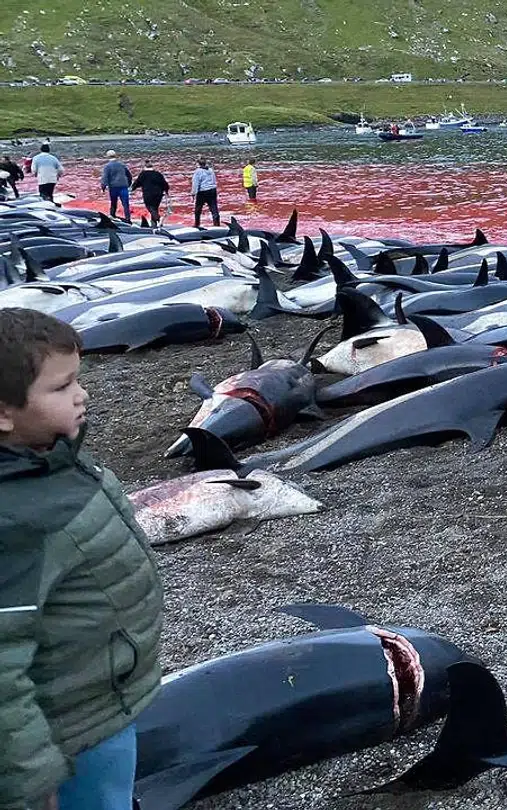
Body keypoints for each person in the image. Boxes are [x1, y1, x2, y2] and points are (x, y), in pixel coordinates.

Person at [0, 308, 164, 810]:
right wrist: (31, 779)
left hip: (98, 698)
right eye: (61, 387)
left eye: (79, 379)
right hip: (69, 733)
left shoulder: (49, 457)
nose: (82, 394)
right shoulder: (16, 520)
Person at [131, 160, 169, 226]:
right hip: (158, 194)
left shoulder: (143, 174)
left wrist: (132, 189)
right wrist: (166, 191)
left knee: (150, 207)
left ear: (144, 167)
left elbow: (137, 183)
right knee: (155, 208)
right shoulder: (158, 174)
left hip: (148, 194)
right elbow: (165, 184)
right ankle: (154, 224)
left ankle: (157, 218)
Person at [98, 150, 133, 222]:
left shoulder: (107, 166)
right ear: (116, 155)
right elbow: (129, 175)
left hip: (113, 187)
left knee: (113, 202)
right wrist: (129, 183)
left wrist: (103, 188)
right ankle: (128, 219)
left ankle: (112, 215)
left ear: (107, 157)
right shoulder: (122, 165)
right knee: (125, 203)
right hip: (123, 186)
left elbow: (105, 178)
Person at [191, 159, 219, 228]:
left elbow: (195, 183)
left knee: (198, 209)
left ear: (198, 164)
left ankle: (197, 224)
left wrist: (193, 193)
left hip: (203, 192)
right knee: (214, 208)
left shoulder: (198, 172)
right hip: (212, 190)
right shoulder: (210, 170)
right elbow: (214, 180)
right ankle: (217, 224)